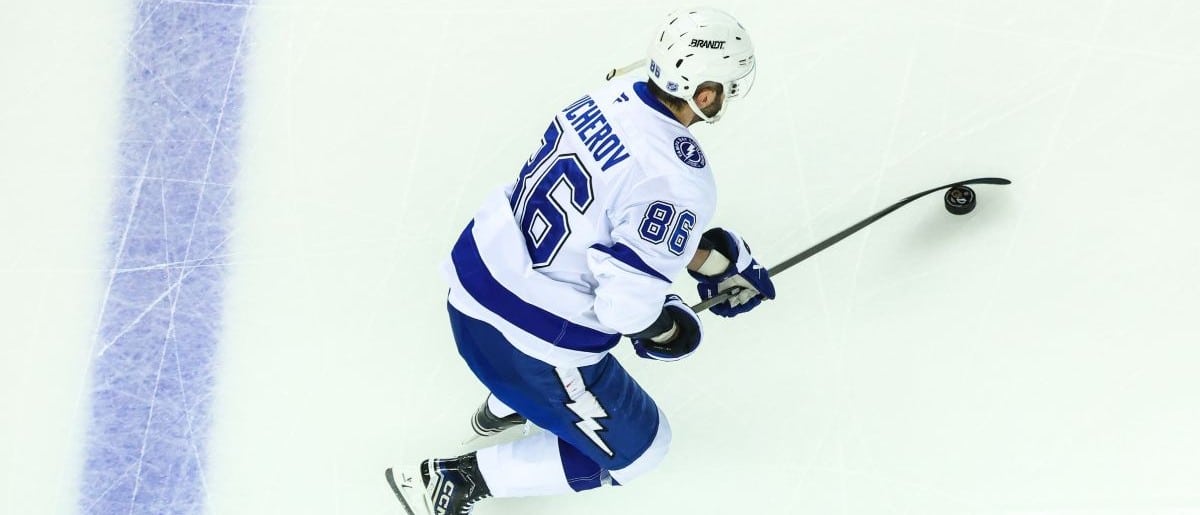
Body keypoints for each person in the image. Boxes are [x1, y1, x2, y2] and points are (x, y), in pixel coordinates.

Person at [391, 7, 775, 514]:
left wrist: (706, 258)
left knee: (568, 319)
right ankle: (451, 481)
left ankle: (505, 407)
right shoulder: (680, 179)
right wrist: (671, 326)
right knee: (642, 451)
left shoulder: (604, 96)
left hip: (470, 292)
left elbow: (607, 211)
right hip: (526, 345)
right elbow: (627, 314)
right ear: (705, 94)